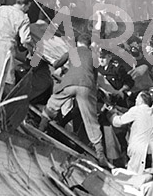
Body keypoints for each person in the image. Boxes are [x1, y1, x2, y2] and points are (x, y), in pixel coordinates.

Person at [39, 20, 106, 164]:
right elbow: (94, 77)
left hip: (69, 83)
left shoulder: (72, 51)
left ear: (78, 42)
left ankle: (41, 128)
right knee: (91, 119)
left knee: (53, 103)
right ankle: (100, 154)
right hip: (86, 86)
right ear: (88, 45)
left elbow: (57, 64)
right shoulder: (94, 56)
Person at [110, 90, 153, 174]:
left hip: (140, 149)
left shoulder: (137, 109)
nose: (135, 100)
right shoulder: (152, 112)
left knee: (134, 176)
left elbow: (118, 122)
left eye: (137, 98)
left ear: (141, 100)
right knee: (150, 176)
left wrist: (111, 114)